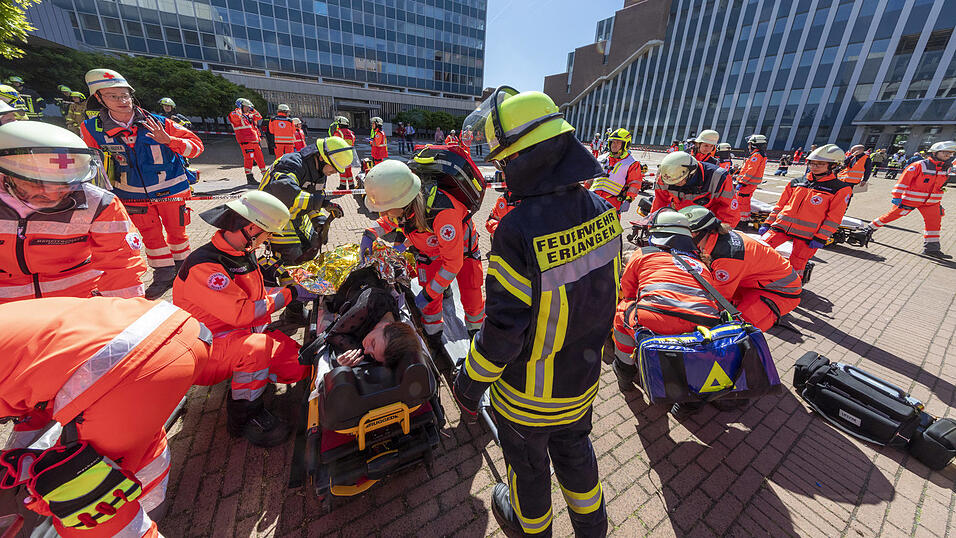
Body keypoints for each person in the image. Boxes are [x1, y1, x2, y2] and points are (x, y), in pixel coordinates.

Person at [452, 87, 616, 537]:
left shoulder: (517, 230)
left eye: (505, 161)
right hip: (580, 385)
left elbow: (503, 333)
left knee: (527, 470)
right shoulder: (604, 211)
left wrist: (468, 384)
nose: (502, 171)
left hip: (528, 397)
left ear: (527, 158)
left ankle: (531, 528)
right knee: (576, 454)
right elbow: (608, 296)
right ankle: (593, 528)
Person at [0, 296, 211, 538]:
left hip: (128, 368)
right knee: (131, 435)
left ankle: (130, 522)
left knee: (76, 498)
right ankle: (149, 508)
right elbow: (33, 398)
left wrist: (49, 493)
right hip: (177, 330)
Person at [172, 190, 311, 446]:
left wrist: (292, 288)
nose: (268, 239)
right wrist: (291, 294)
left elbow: (255, 296)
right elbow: (242, 312)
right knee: (256, 349)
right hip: (205, 352)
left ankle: (245, 374)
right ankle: (245, 416)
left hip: (237, 337)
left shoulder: (239, 252)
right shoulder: (206, 266)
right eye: (268, 233)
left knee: (299, 365)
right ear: (252, 228)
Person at [79, 68, 203, 299]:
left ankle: (183, 271)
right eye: (113, 96)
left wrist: (170, 140)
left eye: (125, 95)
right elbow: (92, 165)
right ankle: (164, 274)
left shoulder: (160, 122)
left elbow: (196, 147)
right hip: (131, 195)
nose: (122, 100)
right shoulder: (90, 129)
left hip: (172, 191)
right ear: (99, 98)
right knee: (151, 236)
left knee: (178, 234)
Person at [0, 121, 146, 303]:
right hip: (9, 310)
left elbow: (122, 268)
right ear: (7, 175)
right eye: (38, 184)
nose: (52, 194)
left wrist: (125, 314)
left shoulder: (100, 204)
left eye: (65, 185)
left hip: (77, 305)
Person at [611, 209, 721, 419]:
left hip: (655, 318)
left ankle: (625, 371)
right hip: (703, 326)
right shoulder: (701, 264)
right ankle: (686, 404)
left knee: (623, 310)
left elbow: (628, 291)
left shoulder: (643, 254)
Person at [362, 158, 485, 342]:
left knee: (471, 295)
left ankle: (476, 332)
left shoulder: (444, 214)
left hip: (463, 253)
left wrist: (429, 293)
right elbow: (389, 220)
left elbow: (453, 264)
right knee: (430, 304)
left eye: (386, 209)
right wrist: (370, 233)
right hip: (431, 253)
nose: (382, 213)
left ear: (402, 202)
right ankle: (433, 335)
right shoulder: (405, 206)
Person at [259, 136, 352, 324]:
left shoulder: (320, 172)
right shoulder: (291, 163)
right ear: (322, 157)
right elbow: (284, 191)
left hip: (295, 217)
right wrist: (323, 203)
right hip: (274, 218)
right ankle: (293, 310)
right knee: (292, 260)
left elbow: (311, 202)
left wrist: (319, 221)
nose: (334, 173)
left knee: (312, 246)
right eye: (334, 167)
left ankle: (302, 294)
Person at [680, 205, 802, 331]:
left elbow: (719, 298)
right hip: (754, 282)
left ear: (697, 233)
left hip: (780, 291)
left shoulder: (728, 255)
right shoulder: (718, 239)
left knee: (738, 328)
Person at [759, 144, 852, 277]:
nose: (814, 167)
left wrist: (821, 237)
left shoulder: (840, 189)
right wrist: (768, 223)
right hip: (781, 227)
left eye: (820, 164)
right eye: (812, 163)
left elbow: (834, 217)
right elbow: (781, 205)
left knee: (796, 266)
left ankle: (792, 287)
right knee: (759, 249)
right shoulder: (797, 182)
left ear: (833, 165)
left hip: (808, 235)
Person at [867, 140, 955, 259]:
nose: (948, 155)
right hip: (911, 200)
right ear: (934, 153)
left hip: (932, 203)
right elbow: (903, 181)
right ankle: (868, 229)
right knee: (891, 216)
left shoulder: (947, 167)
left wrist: (938, 202)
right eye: (945, 152)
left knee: (934, 224)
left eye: (950, 153)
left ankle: (932, 249)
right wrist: (897, 196)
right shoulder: (919, 165)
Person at [650, 151, 738, 227]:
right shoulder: (666, 178)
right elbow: (659, 203)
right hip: (681, 221)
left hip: (708, 225)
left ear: (692, 172)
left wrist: (719, 230)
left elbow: (729, 212)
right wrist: (652, 225)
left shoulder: (718, 178)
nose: (676, 184)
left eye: (679, 181)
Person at [590, 127, 644, 213]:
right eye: (613, 142)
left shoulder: (632, 163)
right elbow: (591, 178)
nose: (614, 145)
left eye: (618, 142)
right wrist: (582, 192)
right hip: (593, 199)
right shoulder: (601, 158)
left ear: (625, 145)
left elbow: (634, 184)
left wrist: (628, 200)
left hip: (612, 203)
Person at [228, 97, 266, 185]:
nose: (249, 109)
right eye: (247, 107)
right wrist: (239, 108)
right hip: (246, 142)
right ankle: (250, 178)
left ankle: (265, 176)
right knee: (249, 159)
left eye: (249, 107)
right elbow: (236, 117)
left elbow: (259, 116)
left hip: (255, 142)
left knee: (260, 159)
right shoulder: (234, 114)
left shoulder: (249, 115)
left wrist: (252, 109)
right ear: (241, 106)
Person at [734, 134, 768, 228]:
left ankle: (741, 221)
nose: (748, 146)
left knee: (741, 202)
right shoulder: (760, 155)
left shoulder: (756, 155)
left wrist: (742, 181)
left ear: (754, 145)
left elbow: (751, 171)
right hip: (750, 184)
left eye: (749, 144)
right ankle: (744, 220)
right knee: (745, 202)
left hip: (747, 183)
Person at [330, 116, 358, 189]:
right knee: (349, 170)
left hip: (341, 155)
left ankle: (343, 186)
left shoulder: (338, 133)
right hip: (350, 154)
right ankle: (351, 185)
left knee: (342, 170)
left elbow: (335, 142)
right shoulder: (351, 133)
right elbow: (352, 143)